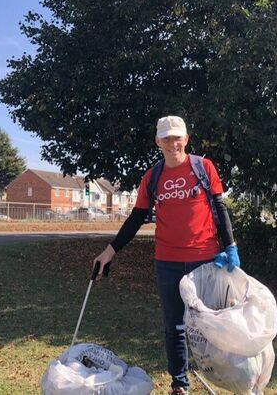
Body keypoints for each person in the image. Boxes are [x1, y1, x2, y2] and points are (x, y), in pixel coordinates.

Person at [93, 115, 240, 395]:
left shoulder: (203, 168)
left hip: (204, 259)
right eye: (166, 138)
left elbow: (220, 210)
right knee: (174, 326)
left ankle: (223, 378)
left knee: (210, 324)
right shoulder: (153, 177)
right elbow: (136, 217)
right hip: (168, 262)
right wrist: (110, 251)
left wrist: (230, 245)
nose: (172, 143)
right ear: (158, 141)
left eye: (177, 137)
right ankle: (179, 384)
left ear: (186, 139)